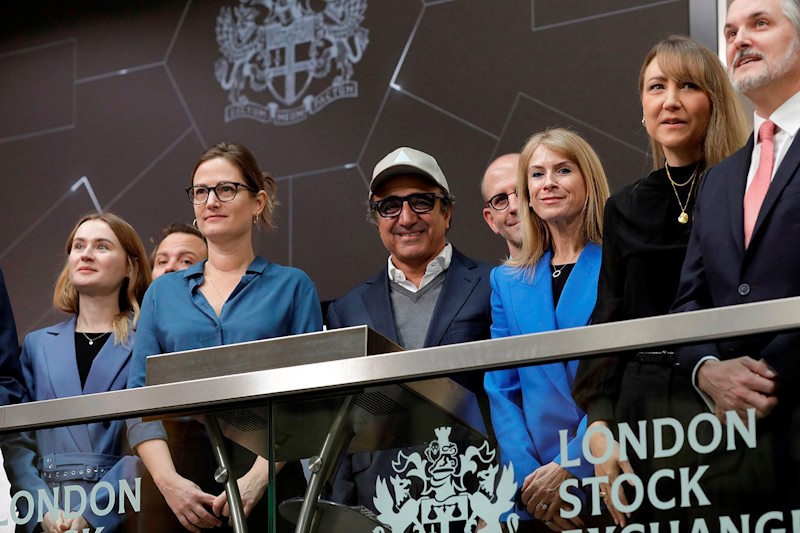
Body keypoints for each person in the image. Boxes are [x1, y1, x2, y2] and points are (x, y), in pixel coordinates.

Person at [570, 35, 748, 525]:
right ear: (643, 107)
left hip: (726, 406)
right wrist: (600, 427)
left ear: (713, 99)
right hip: (642, 416)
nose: (669, 100)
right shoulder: (624, 207)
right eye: (656, 87)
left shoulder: (748, 188)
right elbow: (610, 320)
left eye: (687, 85)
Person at [127, 142, 322, 532]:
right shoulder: (162, 294)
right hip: (177, 483)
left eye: (226, 189)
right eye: (201, 192)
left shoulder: (293, 286)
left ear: (258, 202)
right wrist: (169, 484)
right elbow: (138, 400)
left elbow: (311, 399)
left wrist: (257, 480)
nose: (211, 200)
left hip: (270, 475)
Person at [670, 0, 800, 513]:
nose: (739, 39)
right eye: (729, 31)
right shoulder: (721, 181)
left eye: (760, 23)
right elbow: (688, 303)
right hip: (736, 459)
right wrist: (706, 368)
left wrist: (763, 373)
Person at [326, 146, 492, 511]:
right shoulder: (346, 309)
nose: (405, 217)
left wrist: (500, 500)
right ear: (377, 218)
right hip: (381, 501)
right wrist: (338, 512)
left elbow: (511, 397)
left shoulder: (493, 285)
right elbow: (341, 425)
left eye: (420, 202)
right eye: (390, 206)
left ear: (446, 212)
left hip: (473, 491)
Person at [484, 128, 610, 531]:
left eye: (563, 170)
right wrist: (530, 482)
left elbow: (621, 379)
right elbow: (501, 391)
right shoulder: (506, 281)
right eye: (536, 175)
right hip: (534, 496)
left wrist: (571, 468)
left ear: (588, 181)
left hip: (602, 474)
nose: (548, 183)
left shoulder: (618, 266)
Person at [3, 212, 151, 533]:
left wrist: (94, 513)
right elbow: (18, 442)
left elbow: (154, 444)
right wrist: (42, 509)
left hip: (120, 512)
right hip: (47, 519)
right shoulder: (36, 345)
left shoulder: (148, 343)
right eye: (78, 245)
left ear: (130, 266)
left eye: (101, 246)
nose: (85, 254)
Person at [482, 153, 522, 258]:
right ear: (491, 220)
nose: (514, 206)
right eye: (501, 200)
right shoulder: (495, 275)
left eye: (522, 192)